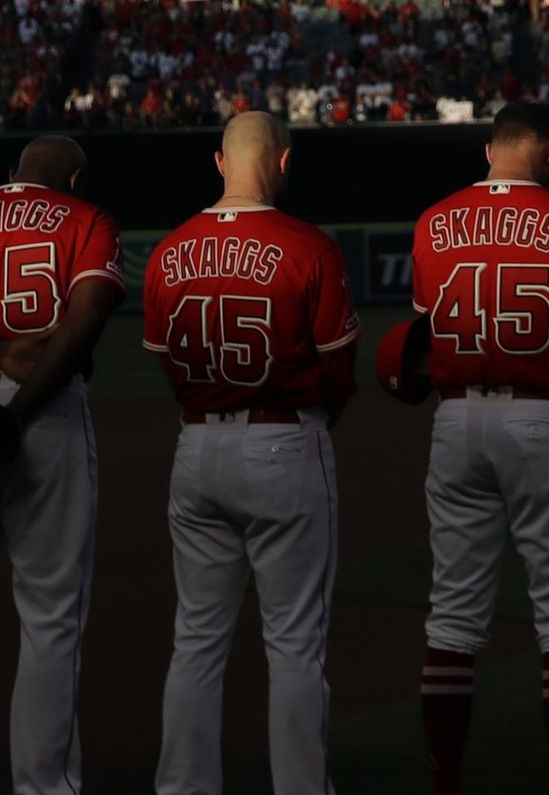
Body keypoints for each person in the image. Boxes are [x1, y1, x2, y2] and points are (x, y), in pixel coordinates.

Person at [392, 99, 549, 795]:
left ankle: (447, 782)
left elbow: (421, 330)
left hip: (457, 420)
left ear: (488, 147)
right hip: (543, 418)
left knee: (454, 608)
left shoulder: (435, 219)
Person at [142, 111, 359, 795]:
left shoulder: (169, 249)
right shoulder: (309, 245)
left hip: (197, 442)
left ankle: (183, 787)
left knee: (196, 642)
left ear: (218, 162)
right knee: (294, 644)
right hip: (283, 439)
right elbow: (339, 373)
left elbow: (165, 360)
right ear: (285, 162)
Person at [0, 136, 124, 795]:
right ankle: (41, 785)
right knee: (50, 613)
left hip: (23, 396)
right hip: (41, 413)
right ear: (73, 176)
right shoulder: (85, 218)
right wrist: (14, 414)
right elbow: (84, 322)